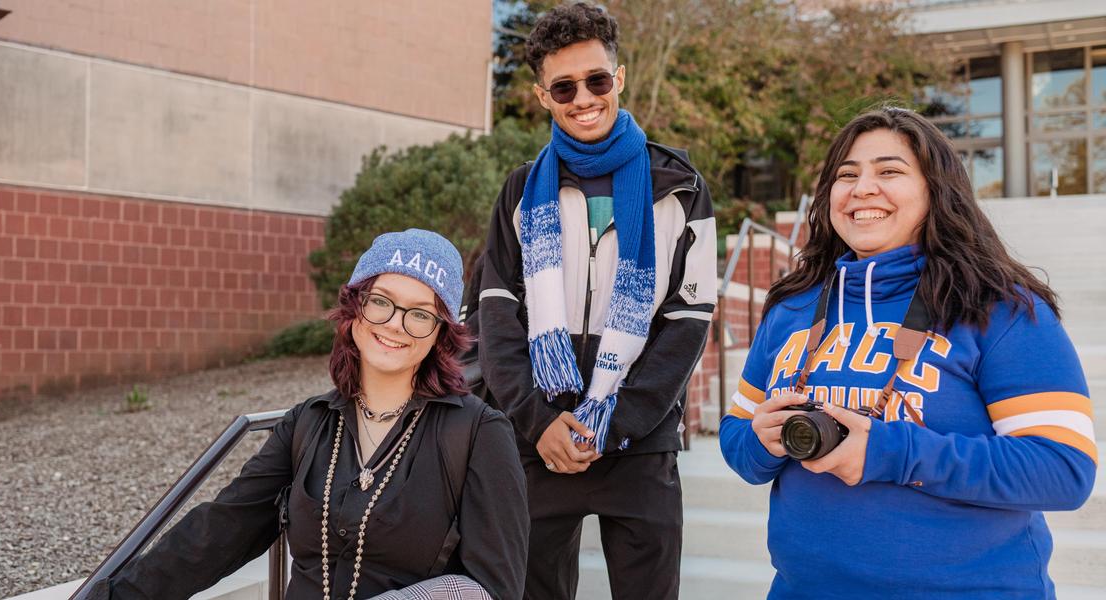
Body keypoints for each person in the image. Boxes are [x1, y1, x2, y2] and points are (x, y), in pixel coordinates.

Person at [719, 107, 1097, 598]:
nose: (862, 188)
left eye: (890, 171)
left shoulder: (998, 308)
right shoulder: (793, 307)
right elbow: (736, 440)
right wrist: (760, 439)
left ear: (937, 191)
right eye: (846, 175)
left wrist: (889, 452)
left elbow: (1062, 468)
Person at [92, 229, 529, 600]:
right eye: (381, 302)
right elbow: (223, 529)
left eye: (419, 314)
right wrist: (117, 594)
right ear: (355, 309)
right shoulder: (308, 423)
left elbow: (494, 587)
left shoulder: (478, 433)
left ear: (439, 335)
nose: (395, 324)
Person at [462, 3, 716, 598]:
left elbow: (687, 321)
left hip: (638, 441)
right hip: (537, 441)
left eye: (596, 80)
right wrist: (538, 421)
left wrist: (617, 423)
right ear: (542, 95)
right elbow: (496, 318)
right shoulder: (521, 191)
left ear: (618, 79)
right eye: (564, 86)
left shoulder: (680, 186)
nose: (584, 98)